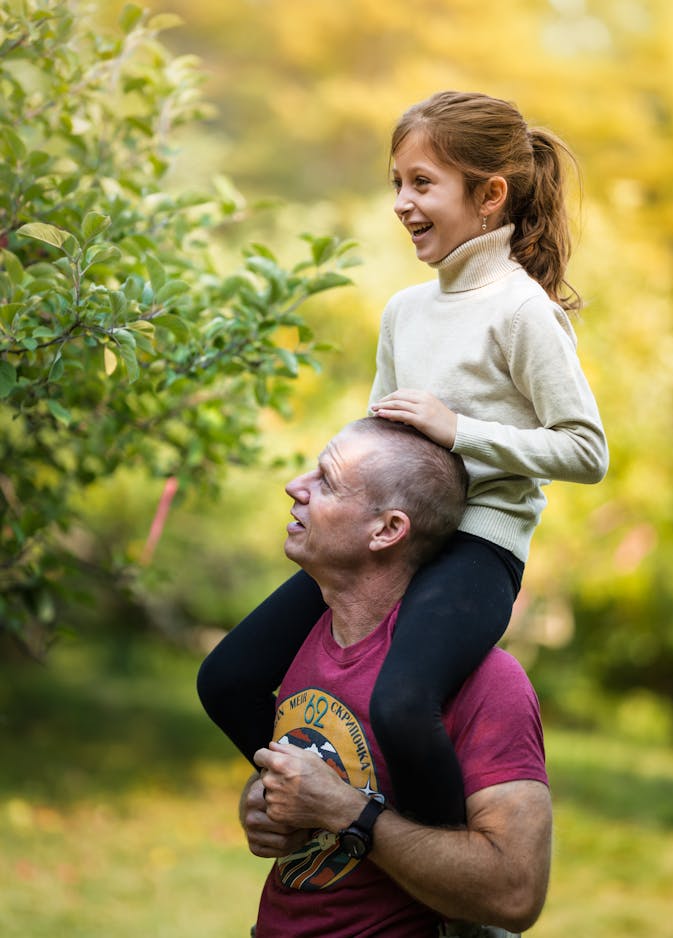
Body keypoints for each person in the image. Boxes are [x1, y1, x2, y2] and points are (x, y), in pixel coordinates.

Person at [198, 90, 608, 827]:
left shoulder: (523, 312)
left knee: (402, 701)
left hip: (478, 545)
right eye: (396, 182)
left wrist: (459, 430)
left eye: (422, 183)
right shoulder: (405, 311)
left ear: (489, 196)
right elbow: (378, 436)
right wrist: (329, 493)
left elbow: (586, 450)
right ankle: (328, 803)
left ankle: (453, 884)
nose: (400, 201)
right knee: (227, 677)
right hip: (395, 533)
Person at [239, 417, 552, 937]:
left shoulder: (489, 681)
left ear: (387, 530)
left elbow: (515, 894)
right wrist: (261, 803)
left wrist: (347, 813)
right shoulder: (302, 644)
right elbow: (328, 766)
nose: (296, 487)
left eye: (327, 481)